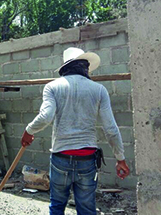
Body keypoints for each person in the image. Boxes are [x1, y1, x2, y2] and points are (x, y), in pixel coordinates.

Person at [21, 47, 130, 215]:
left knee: (57, 206)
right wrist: (120, 159)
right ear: (85, 68)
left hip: (60, 159)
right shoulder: (99, 89)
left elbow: (45, 117)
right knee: (86, 209)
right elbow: (111, 129)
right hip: (87, 160)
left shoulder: (52, 87)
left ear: (65, 68)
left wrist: (29, 131)